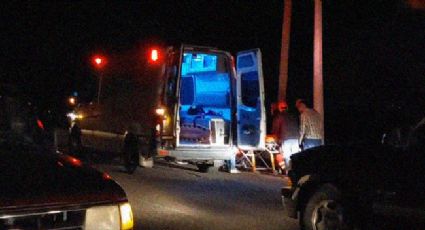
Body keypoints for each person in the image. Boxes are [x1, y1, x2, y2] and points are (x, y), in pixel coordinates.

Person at [271, 101, 300, 170]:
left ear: (279, 108)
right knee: (295, 155)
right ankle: (295, 169)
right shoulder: (293, 115)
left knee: (287, 155)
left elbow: (275, 129)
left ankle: (288, 171)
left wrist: (275, 138)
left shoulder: (279, 116)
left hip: (286, 137)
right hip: (296, 137)